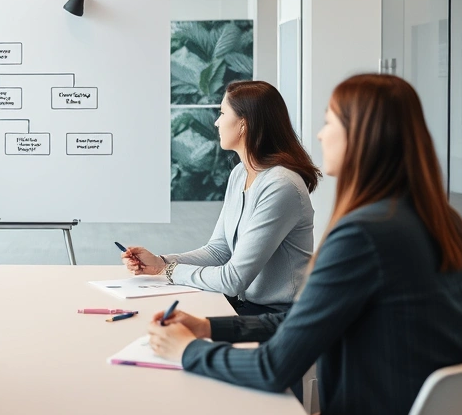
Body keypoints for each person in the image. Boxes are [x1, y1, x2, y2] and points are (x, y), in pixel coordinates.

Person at [148, 74, 462, 415]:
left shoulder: (361, 236)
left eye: (329, 121)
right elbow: (308, 317)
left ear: (362, 135)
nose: (320, 135)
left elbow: (272, 368)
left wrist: (187, 351)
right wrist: (210, 327)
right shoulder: (441, 222)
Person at [123, 80, 321, 314]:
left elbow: (233, 279)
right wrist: (161, 262)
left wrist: (167, 271)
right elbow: (219, 251)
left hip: (281, 317)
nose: (216, 122)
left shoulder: (281, 185)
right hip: (247, 307)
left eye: (222, 113)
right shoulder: (240, 173)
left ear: (244, 124)